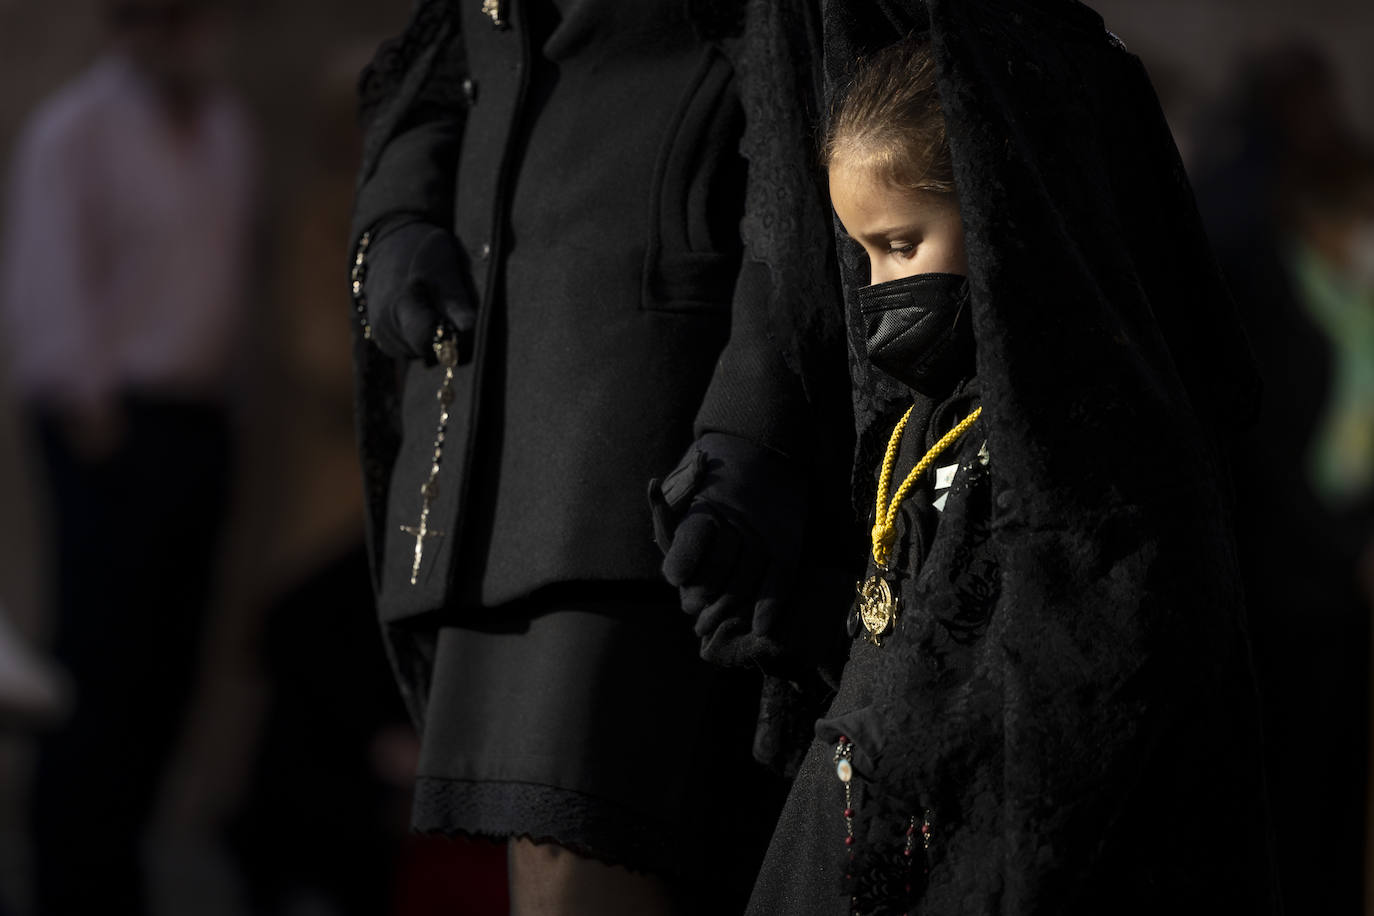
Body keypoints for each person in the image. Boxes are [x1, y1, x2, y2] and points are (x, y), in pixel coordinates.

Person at [746, 5, 1279, 913]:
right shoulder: (923, 424)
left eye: (902, 245)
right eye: (863, 254)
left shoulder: (1102, 451)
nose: (880, 290)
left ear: (1004, 211)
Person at [349, 1, 851, 912]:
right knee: (540, 860)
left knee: (595, 854)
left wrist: (755, 420)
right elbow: (439, 67)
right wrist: (395, 216)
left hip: (650, 451)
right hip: (488, 440)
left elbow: (801, 155)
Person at [0, 1, 255, 912]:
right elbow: (47, 285)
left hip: (194, 421)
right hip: (108, 426)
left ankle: (123, 869)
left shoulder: (227, 127)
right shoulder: (78, 127)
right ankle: (72, 879)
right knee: (99, 664)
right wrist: (93, 419)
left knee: (168, 665)